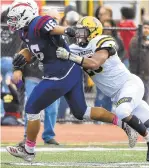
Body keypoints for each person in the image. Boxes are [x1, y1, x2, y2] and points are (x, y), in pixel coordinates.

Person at [6, 2, 137, 162]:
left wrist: (68, 30)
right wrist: (22, 56)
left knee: (32, 108)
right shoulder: (25, 31)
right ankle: (123, 123)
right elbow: (33, 48)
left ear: (26, 14)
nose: (12, 21)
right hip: (70, 71)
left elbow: (53, 28)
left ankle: (29, 149)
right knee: (81, 112)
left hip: (60, 73)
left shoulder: (38, 21)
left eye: (15, 18)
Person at [56, 16, 149, 162]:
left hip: (129, 85)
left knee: (122, 111)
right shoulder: (74, 49)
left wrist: (70, 56)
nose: (78, 34)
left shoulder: (101, 41)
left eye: (82, 31)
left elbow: (95, 63)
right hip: (119, 95)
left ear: (93, 32)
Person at [11, 0, 60, 146]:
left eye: (55, 19)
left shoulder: (61, 36)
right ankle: (28, 135)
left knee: (52, 108)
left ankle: (49, 135)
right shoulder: (30, 32)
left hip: (53, 76)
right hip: (34, 73)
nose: (52, 22)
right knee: (31, 105)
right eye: (50, 18)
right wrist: (18, 69)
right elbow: (20, 54)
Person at [129, 21, 149, 105]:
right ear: (141, 29)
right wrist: (144, 44)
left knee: (145, 99)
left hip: (147, 75)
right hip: (137, 75)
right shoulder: (135, 40)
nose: (147, 30)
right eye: (145, 28)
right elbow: (134, 55)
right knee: (136, 98)